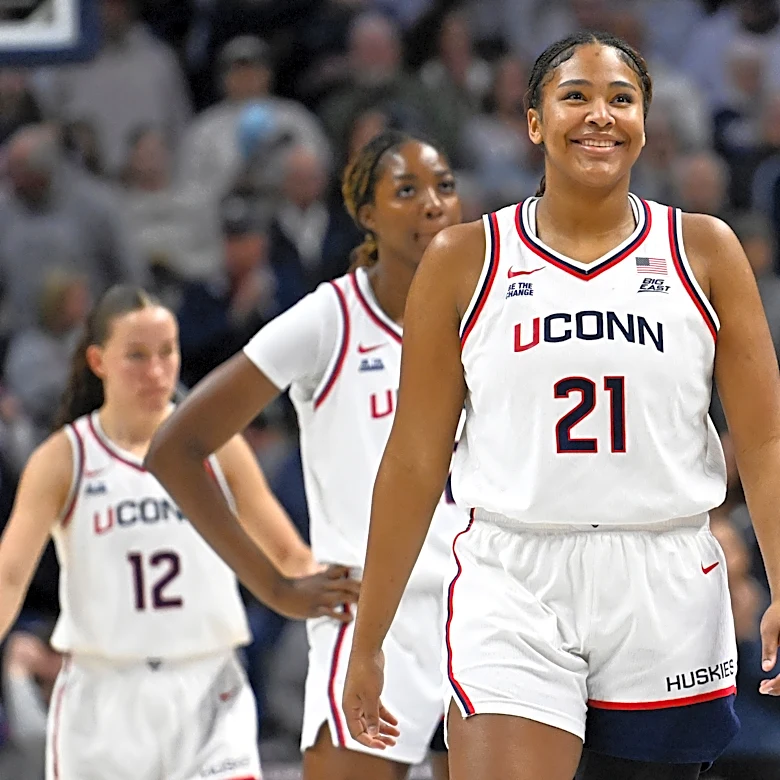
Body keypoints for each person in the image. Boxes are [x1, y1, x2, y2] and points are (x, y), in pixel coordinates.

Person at [341, 31, 780, 780]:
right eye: (575, 96)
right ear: (535, 121)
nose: (600, 115)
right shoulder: (464, 259)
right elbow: (415, 460)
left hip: (663, 570)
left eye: (621, 98)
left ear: (646, 119)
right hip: (512, 570)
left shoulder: (704, 249)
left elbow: (765, 441)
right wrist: (370, 636)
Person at [145, 130, 465, 780]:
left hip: (486, 610)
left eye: (444, 186)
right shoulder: (331, 319)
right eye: (406, 190)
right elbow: (177, 448)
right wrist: (273, 587)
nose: (432, 204)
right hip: (374, 616)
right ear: (367, 214)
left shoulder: (492, 310)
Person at [0, 285, 359, 780]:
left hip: (210, 688)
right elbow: (9, 577)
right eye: (136, 357)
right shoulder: (66, 458)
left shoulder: (217, 447)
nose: (156, 372)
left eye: (167, 353)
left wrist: (360, 608)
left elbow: (288, 554)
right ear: (99, 361)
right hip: (104, 699)